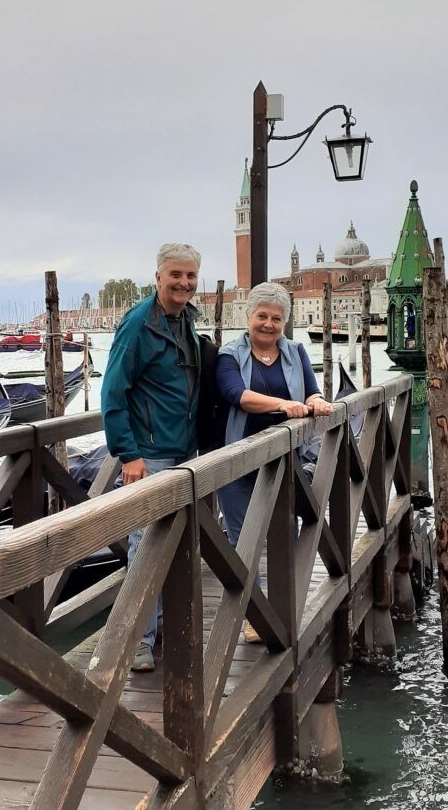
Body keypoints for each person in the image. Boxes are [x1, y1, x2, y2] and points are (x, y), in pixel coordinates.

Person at [101, 242, 202, 672]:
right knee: (144, 548)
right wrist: (128, 454)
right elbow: (112, 391)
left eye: (190, 276)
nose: (183, 283)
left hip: (184, 449)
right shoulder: (139, 324)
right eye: (175, 275)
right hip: (150, 454)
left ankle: (157, 629)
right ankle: (136, 642)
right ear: (158, 277)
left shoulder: (186, 320)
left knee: (174, 544)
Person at [216, 283, 333, 640]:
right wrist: (282, 405)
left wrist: (319, 401)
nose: (268, 324)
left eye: (276, 319)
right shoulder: (229, 355)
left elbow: (311, 389)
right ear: (248, 317)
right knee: (243, 542)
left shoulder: (295, 351)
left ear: (285, 322)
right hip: (238, 460)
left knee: (287, 533)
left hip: (286, 460)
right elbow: (237, 395)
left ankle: (284, 610)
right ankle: (253, 616)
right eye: (262, 316)